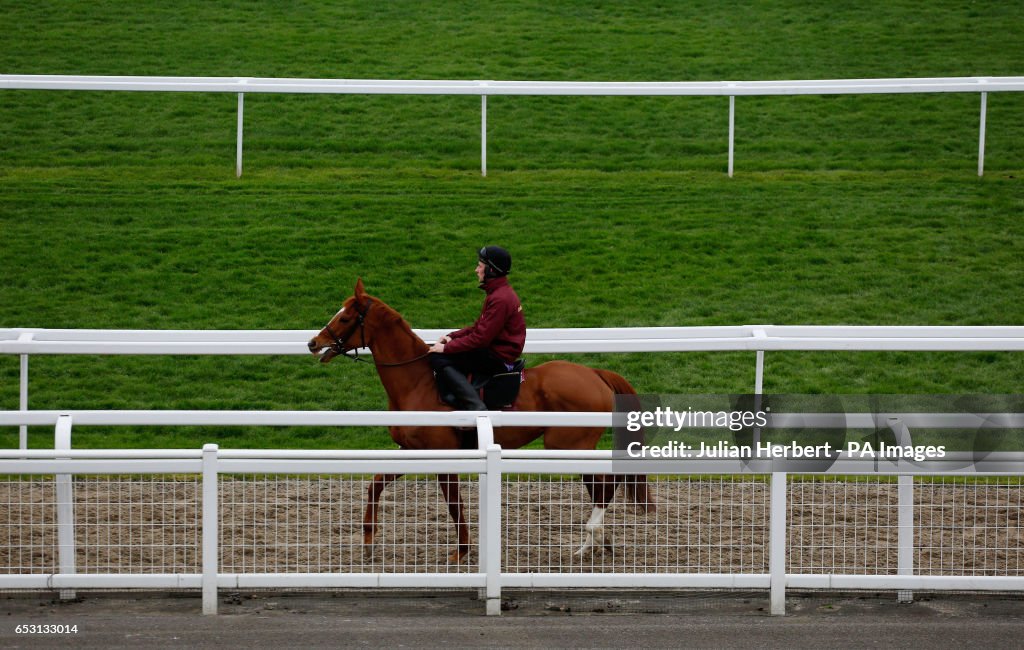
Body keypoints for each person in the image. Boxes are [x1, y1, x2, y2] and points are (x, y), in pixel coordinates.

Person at [428, 245, 526, 410]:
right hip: (496, 352)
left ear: (491, 270)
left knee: (438, 358)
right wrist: (453, 336)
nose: (476, 270)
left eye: (480, 266)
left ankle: (474, 406)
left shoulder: (500, 299)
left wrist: (445, 349)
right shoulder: (499, 293)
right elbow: (478, 328)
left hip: (497, 357)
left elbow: (480, 339)